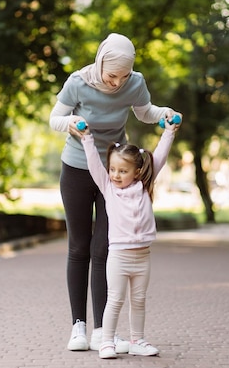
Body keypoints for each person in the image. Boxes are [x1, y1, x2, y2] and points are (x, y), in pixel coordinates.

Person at [48, 33, 182, 353]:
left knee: (104, 248)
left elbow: (144, 111)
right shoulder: (77, 82)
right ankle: (78, 326)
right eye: (111, 76)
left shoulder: (134, 83)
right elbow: (54, 118)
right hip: (78, 169)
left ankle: (101, 331)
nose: (116, 83)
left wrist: (162, 112)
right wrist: (71, 123)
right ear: (100, 62)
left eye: (123, 77)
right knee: (79, 246)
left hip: (115, 173)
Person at [78, 117, 180, 359]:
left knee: (139, 300)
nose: (115, 175)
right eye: (113, 169)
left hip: (143, 256)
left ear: (137, 171)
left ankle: (137, 340)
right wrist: (86, 138)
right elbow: (94, 164)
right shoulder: (109, 188)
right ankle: (106, 342)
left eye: (123, 171)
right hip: (119, 256)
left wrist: (169, 132)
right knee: (114, 299)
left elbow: (160, 157)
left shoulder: (144, 186)